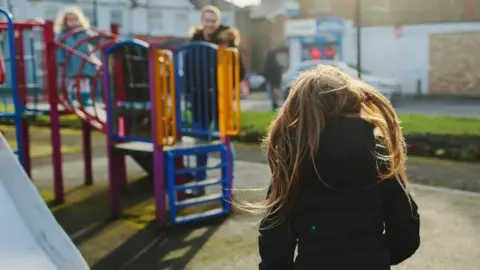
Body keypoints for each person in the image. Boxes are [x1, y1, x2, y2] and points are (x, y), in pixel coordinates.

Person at [238, 65, 420, 269]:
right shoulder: (379, 157)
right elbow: (406, 234)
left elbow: (275, 243)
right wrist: (375, 256)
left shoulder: (294, 163)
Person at [183, 5, 245, 197]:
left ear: (217, 22)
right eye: (207, 20)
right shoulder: (194, 42)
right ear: (202, 21)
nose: (210, 24)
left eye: (213, 20)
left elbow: (239, 70)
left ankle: (228, 186)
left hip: (220, 100)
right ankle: (199, 184)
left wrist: (229, 87)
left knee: (224, 142)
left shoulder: (227, 42)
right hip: (200, 99)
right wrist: (190, 91)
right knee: (200, 142)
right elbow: (187, 69)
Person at [55, 6, 100, 107]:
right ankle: (73, 98)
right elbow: (59, 48)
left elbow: (94, 41)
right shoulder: (63, 34)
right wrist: (61, 61)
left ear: (80, 20)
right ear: (65, 21)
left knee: (85, 81)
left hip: (84, 61)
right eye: (70, 20)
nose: (73, 22)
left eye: (75, 19)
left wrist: (97, 36)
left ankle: (85, 98)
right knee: (73, 81)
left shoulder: (84, 32)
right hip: (71, 62)